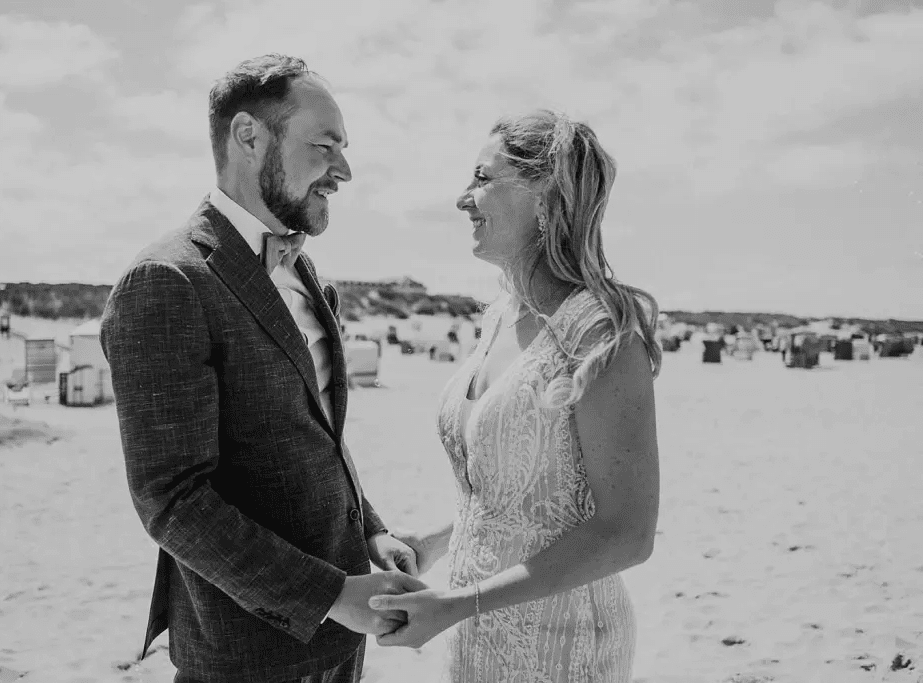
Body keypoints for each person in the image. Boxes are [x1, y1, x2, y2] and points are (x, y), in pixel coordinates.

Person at [100, 54, 425, 683]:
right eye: (325, 144)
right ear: (249, 136)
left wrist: (372, 535)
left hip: (340, 648)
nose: (345, 170)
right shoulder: (166, 281)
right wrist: (331, 595)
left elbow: (314, 440)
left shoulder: (305, 275)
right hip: (246, 655)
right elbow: (172, 501)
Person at [370, 110, 662, 682]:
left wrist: (458, 603)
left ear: (545, 194)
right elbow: (524, 502)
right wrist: (430, 546)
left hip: (566, 648)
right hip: (477, 642)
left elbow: (626, 532)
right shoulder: (498, 320)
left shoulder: (600, 335)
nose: (462, 198)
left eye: (482, 178)